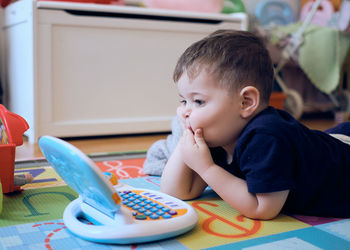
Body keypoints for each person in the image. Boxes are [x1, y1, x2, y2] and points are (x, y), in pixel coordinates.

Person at [160, 29, 350, 220]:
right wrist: (186, 138)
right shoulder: (219, 135)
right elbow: (177, 192)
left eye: (198, 101)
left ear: (246, 102)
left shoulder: (267, 136)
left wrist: (207, 169)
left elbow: (263, 208)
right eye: (183, 101)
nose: (185, 111)